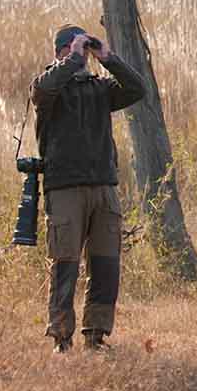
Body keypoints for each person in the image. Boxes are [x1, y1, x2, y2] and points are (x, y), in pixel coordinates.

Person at [31, 24, 146, 353]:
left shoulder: (99, 89)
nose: (81, 54)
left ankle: (95, 334)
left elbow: (137, 89)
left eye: (83, 48)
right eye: (73, 47)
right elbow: (44, 89)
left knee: (106, 265)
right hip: (65, 188)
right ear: (60, 52)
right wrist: (71, 61)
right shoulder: (48, 88)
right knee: (65, 263)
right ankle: (61, 338)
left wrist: (108, 57)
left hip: (104, 187)